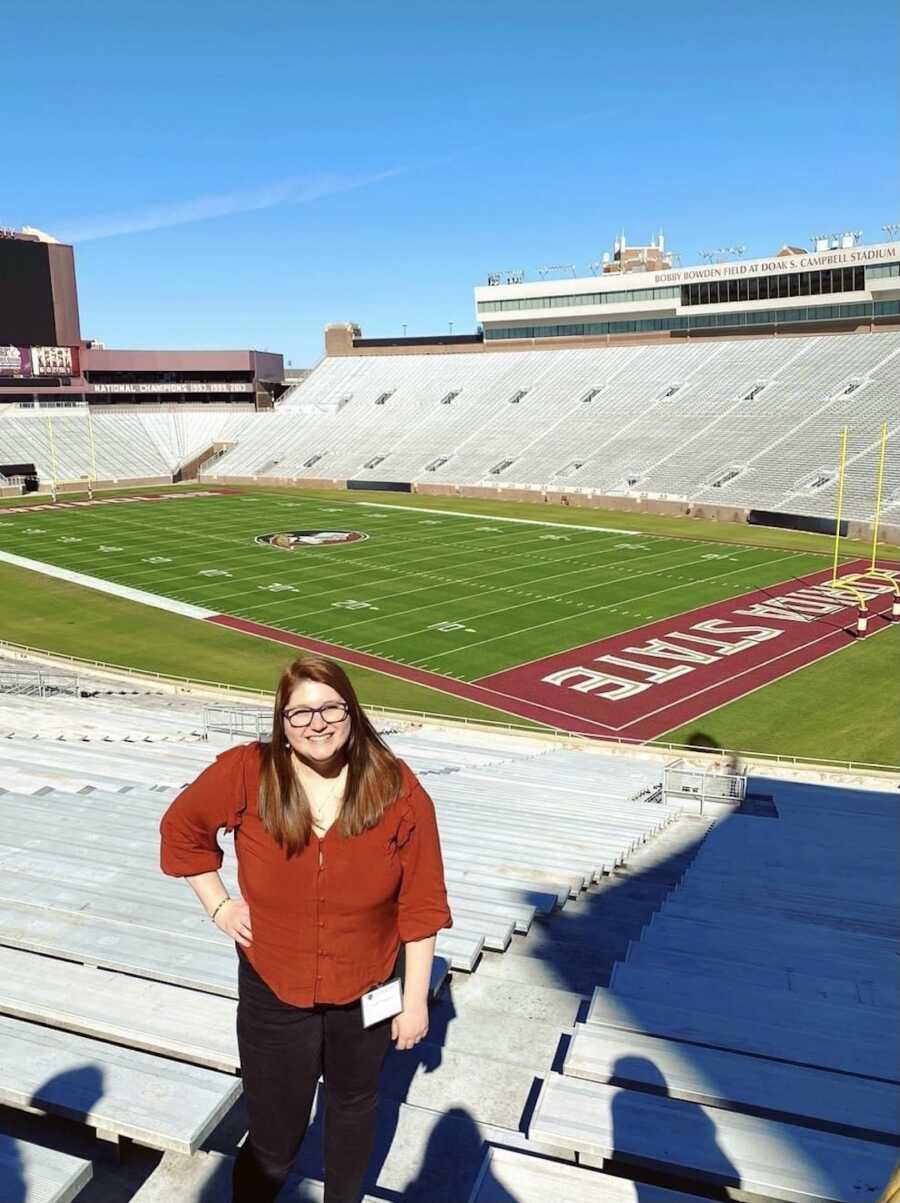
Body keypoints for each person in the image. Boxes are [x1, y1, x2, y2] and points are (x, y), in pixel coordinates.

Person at [159, 654, 452, 1203]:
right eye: (300, 713)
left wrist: (415, 1002)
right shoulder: (246, 772)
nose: (317, 723)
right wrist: (219, 905)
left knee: (354, 1104)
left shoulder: (397, 787)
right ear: (282, 723)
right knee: (273, 1132)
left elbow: (422, 901)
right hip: (274, 984)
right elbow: (182, 829)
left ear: (351, 711)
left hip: (371, 984)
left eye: (329, 707)